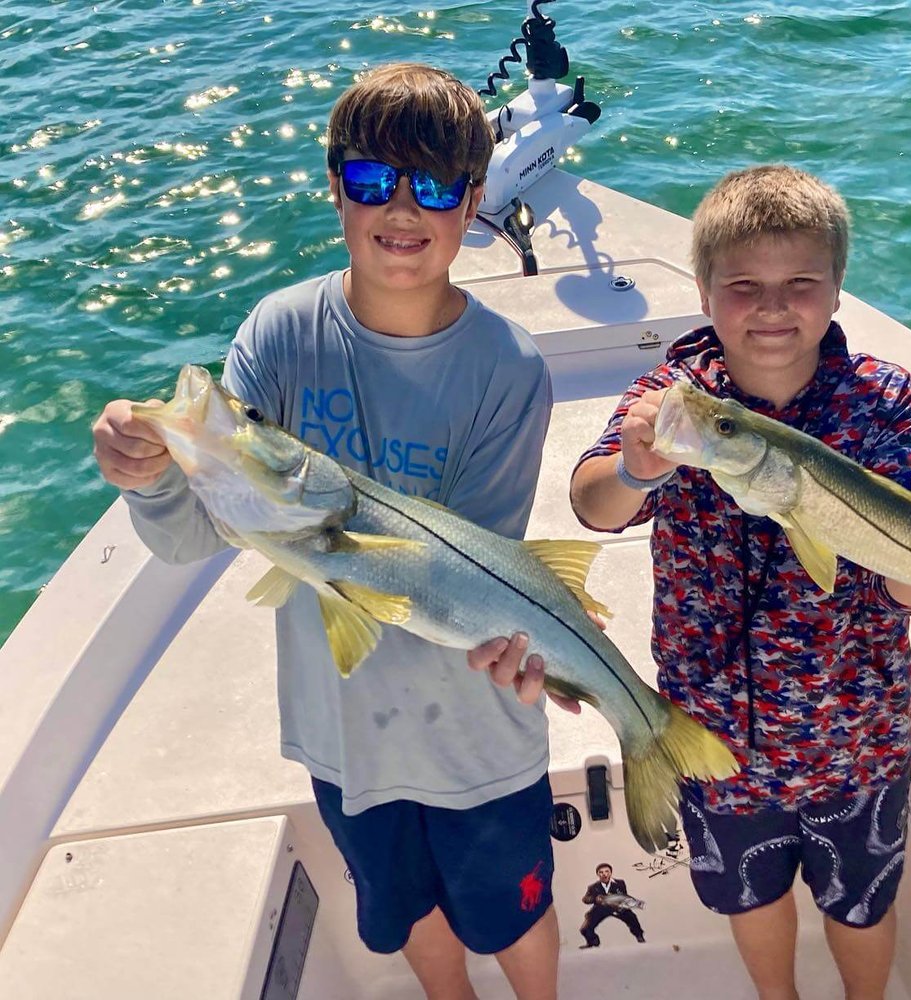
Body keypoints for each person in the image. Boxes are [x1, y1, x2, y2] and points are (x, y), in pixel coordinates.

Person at [93, 63, 566, 1000]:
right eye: (370, 181)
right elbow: (194, 539)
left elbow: (463, 577)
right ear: (334, 186)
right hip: (341, 733)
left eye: (433, 186)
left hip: (478, 735)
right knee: (407, 914)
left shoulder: (509, 370)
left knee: (511, 911)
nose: (402, 209)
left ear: (474, 201)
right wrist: (152, 478)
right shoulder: (276, 334)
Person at [568, 164, 911, 1000]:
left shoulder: (887, 403)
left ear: (836, 290)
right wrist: (638, 470)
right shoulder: (671, 404)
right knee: (748, 895)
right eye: (744, 285)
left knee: (859, 906)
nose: (773, 308)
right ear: (705, 291)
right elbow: (594, 504)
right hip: (709, 731)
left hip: (855, 734)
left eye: (800, 284)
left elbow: (899, 583)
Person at [578, 863, 645, 948]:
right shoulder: (593, 887)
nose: (604, 874)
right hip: (600, 909)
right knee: (584, 929)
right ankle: (592, 942)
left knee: (632, 917)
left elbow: (624, 896)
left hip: (617, 908)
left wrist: (628, 904)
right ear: (597, 874)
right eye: (601, 872)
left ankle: (640, 936)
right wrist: (595, 899)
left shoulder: (620, 883)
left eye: (607, 871)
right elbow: (585, 899)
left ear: (610, 873)